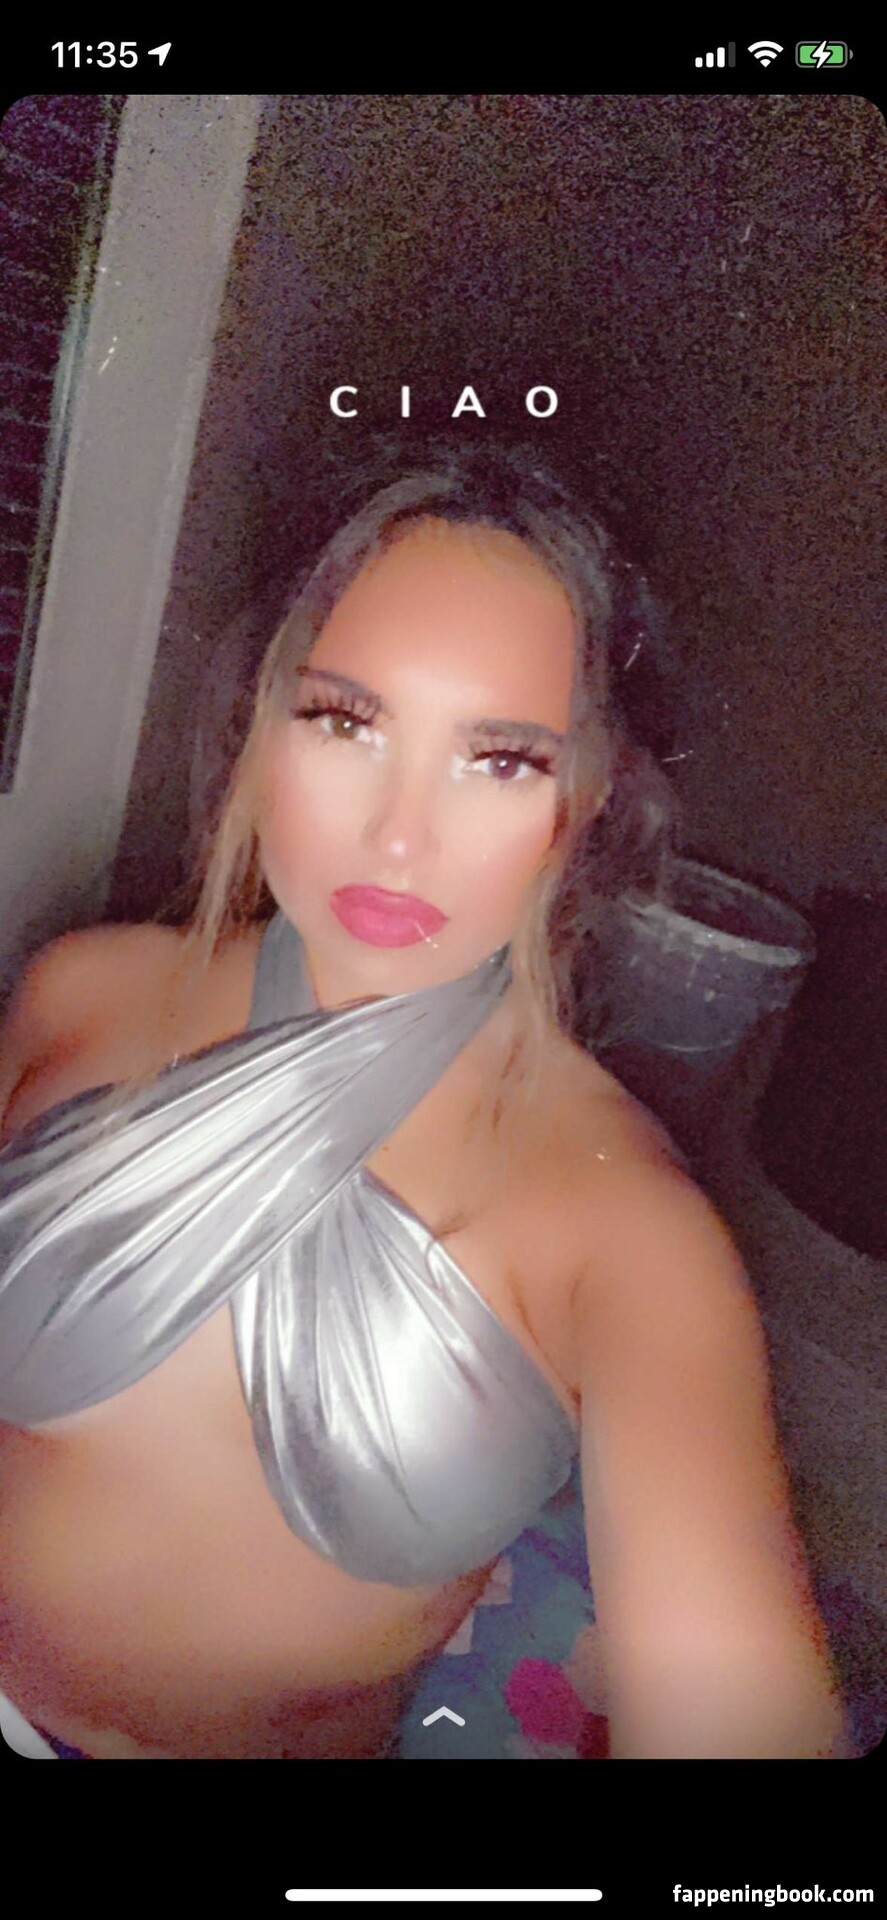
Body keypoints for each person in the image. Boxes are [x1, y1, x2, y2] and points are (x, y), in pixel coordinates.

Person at [0, 443, 847, 1760]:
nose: (400, 835)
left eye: (498, 759)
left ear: (583, 801)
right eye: (347, 723)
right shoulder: (79, 993)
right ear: (264, 726)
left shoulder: (633, 1234)